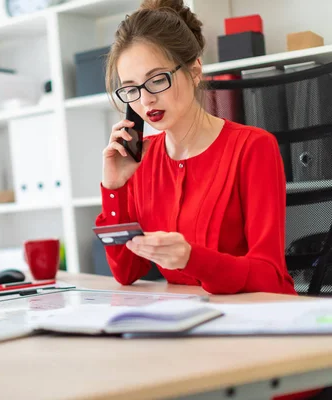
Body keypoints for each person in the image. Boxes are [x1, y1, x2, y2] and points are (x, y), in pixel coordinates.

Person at [95, 1, 327, 398]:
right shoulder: (142, 159)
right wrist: (115, 187)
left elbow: (273, 278)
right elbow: (126, 271)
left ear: (195, 69)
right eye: (130, 88)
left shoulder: (253, 148)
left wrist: (193, 259)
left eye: (158, 80)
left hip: (258, 346)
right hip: (188, 340)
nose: (145, 100)